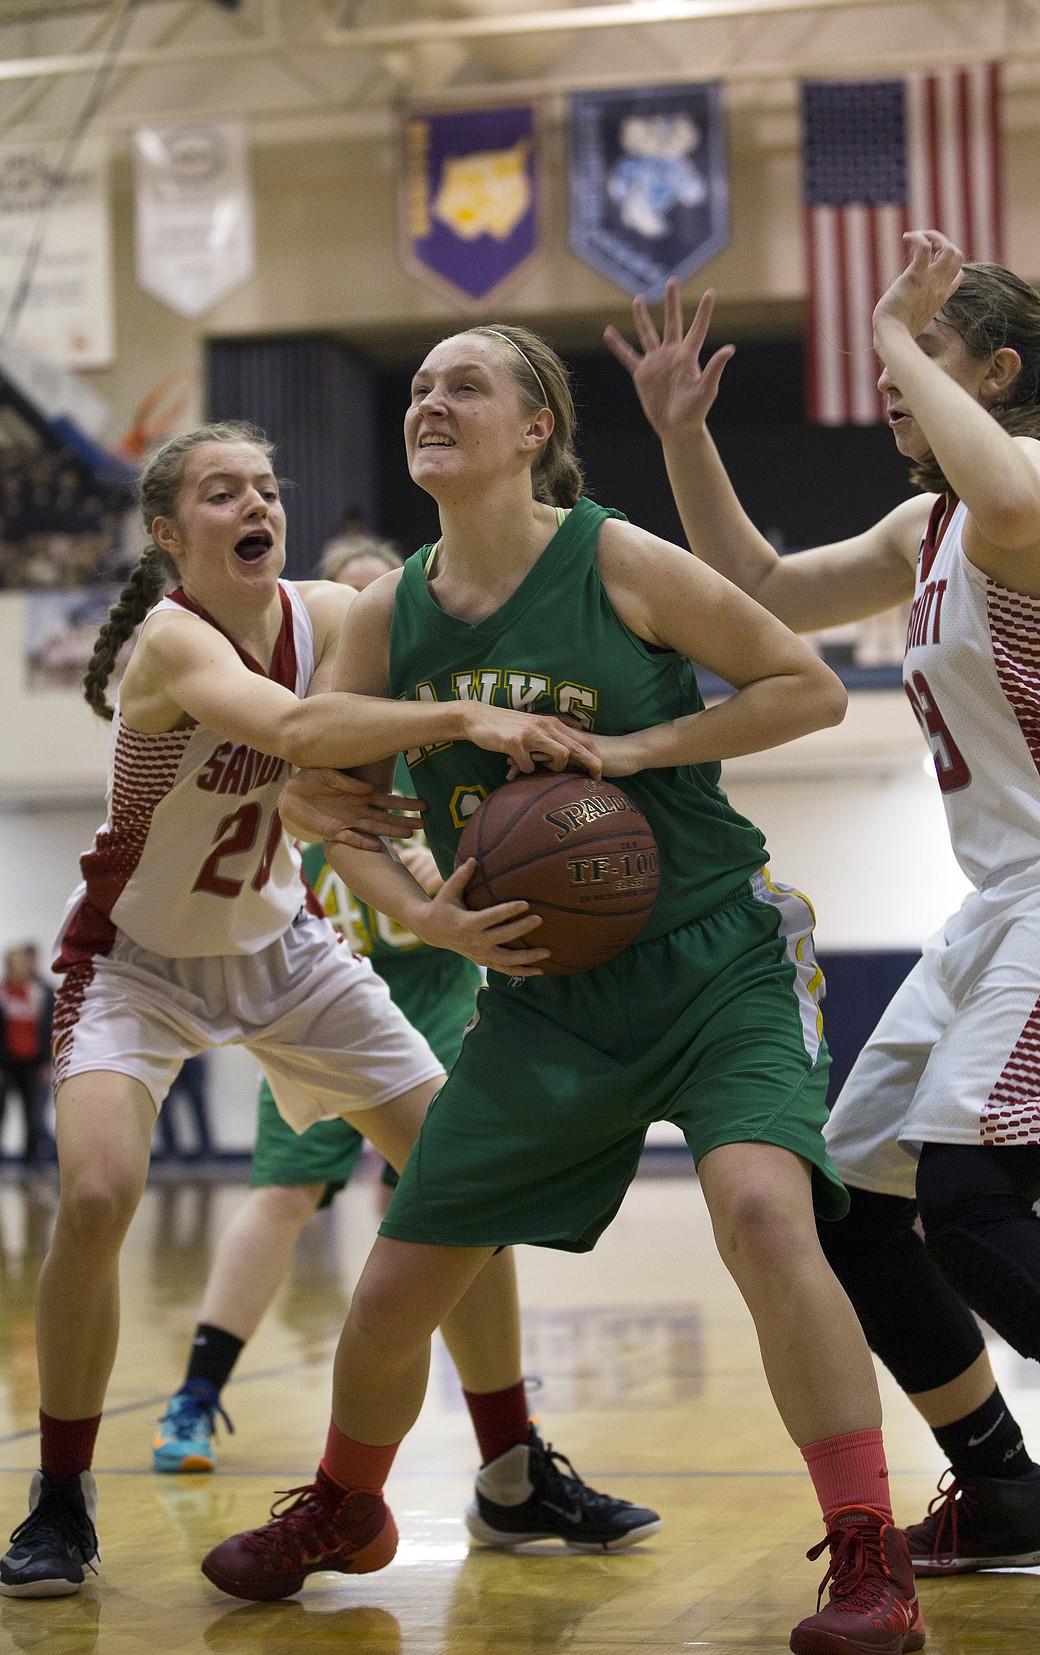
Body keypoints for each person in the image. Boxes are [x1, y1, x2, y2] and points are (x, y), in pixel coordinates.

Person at [201, 323, 926, 1655]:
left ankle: (872, 1554)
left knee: (766, 1215)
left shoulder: (616, 555)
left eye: (462, 384)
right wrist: (423, 908)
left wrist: (639, 745)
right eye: (417, 386)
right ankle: (347, 1506)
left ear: (535, 427)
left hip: (715, 959)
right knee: (394, 1285)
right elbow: (315, 789)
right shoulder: (385, 609)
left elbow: (806, 686)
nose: (428, 399)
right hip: (539, 995)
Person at [603, 231, 1040, 1646]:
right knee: (849, 1198)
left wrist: (891, 335)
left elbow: (999, 471)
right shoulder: (923, 534)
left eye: (920, 356)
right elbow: (755, 588)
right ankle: (1001, 1490)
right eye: (889, 360)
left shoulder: (1033, 497)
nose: (890, 387)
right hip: (1000, 901)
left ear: (996, 370)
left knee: (974, 1204)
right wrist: (683, 435)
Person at [0, 420, 632, 1602]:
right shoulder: (171, 642)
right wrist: (463, 722)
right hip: (134, 958)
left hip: (284, 944)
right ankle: (61, 1494)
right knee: (94, 1192)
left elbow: (388, 661)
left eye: (269, 486)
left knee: (461, 1174)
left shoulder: (322, 616)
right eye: (224, 491)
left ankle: (509, 1467)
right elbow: (292, 732)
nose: (258, 503)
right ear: (166, 533)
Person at [151, 546, 480, 1479]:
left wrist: (463, 868)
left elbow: (514, 838)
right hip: (321, 988)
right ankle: (196, 1393)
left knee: (445, 1200)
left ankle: (502, 1427)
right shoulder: (291, 739)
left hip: (436, 998)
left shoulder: (433, 738)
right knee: (281, 1195)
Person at [0, 944, 54, 1165]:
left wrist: (47, 1063)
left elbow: (51, 1030)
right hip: (7, 1064)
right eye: (18, 963)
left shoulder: (41, 992)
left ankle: (32, 1163)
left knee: (33, 1116)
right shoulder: (2, 993)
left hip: (33, 1063)